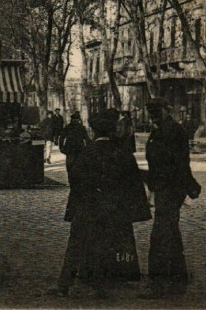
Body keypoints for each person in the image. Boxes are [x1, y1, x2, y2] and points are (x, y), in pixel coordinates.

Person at [52, 112, 151, 298]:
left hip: (87, 207)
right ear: (113, 130)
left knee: (76, 243)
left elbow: (75, 180)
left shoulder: (86, 152)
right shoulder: (122, 153)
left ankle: (64, 284)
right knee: (109, 243)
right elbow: (133, 182)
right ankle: (104, 284)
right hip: (113, 208)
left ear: (93, 132)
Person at [139, 98, 201, 299]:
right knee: (171, 234)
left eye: (157, 110)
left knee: (160, 236)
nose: (153, 114)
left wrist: (184, 185)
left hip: (170, 189)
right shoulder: (159, 131)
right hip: (166, 188)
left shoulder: (172, 132)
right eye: (150, 111)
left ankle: (157, 285)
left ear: (167, 110)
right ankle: (178, 279)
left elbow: (177, 164)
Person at [59, 112, 89, 176]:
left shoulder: (68, 127)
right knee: (78, 166)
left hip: (71, 150)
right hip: (78, 149)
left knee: (71, 166)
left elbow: (61, 138)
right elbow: (87, 139)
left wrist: (62, 148)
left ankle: (72, 180)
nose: (75, 121)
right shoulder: (81, 128)